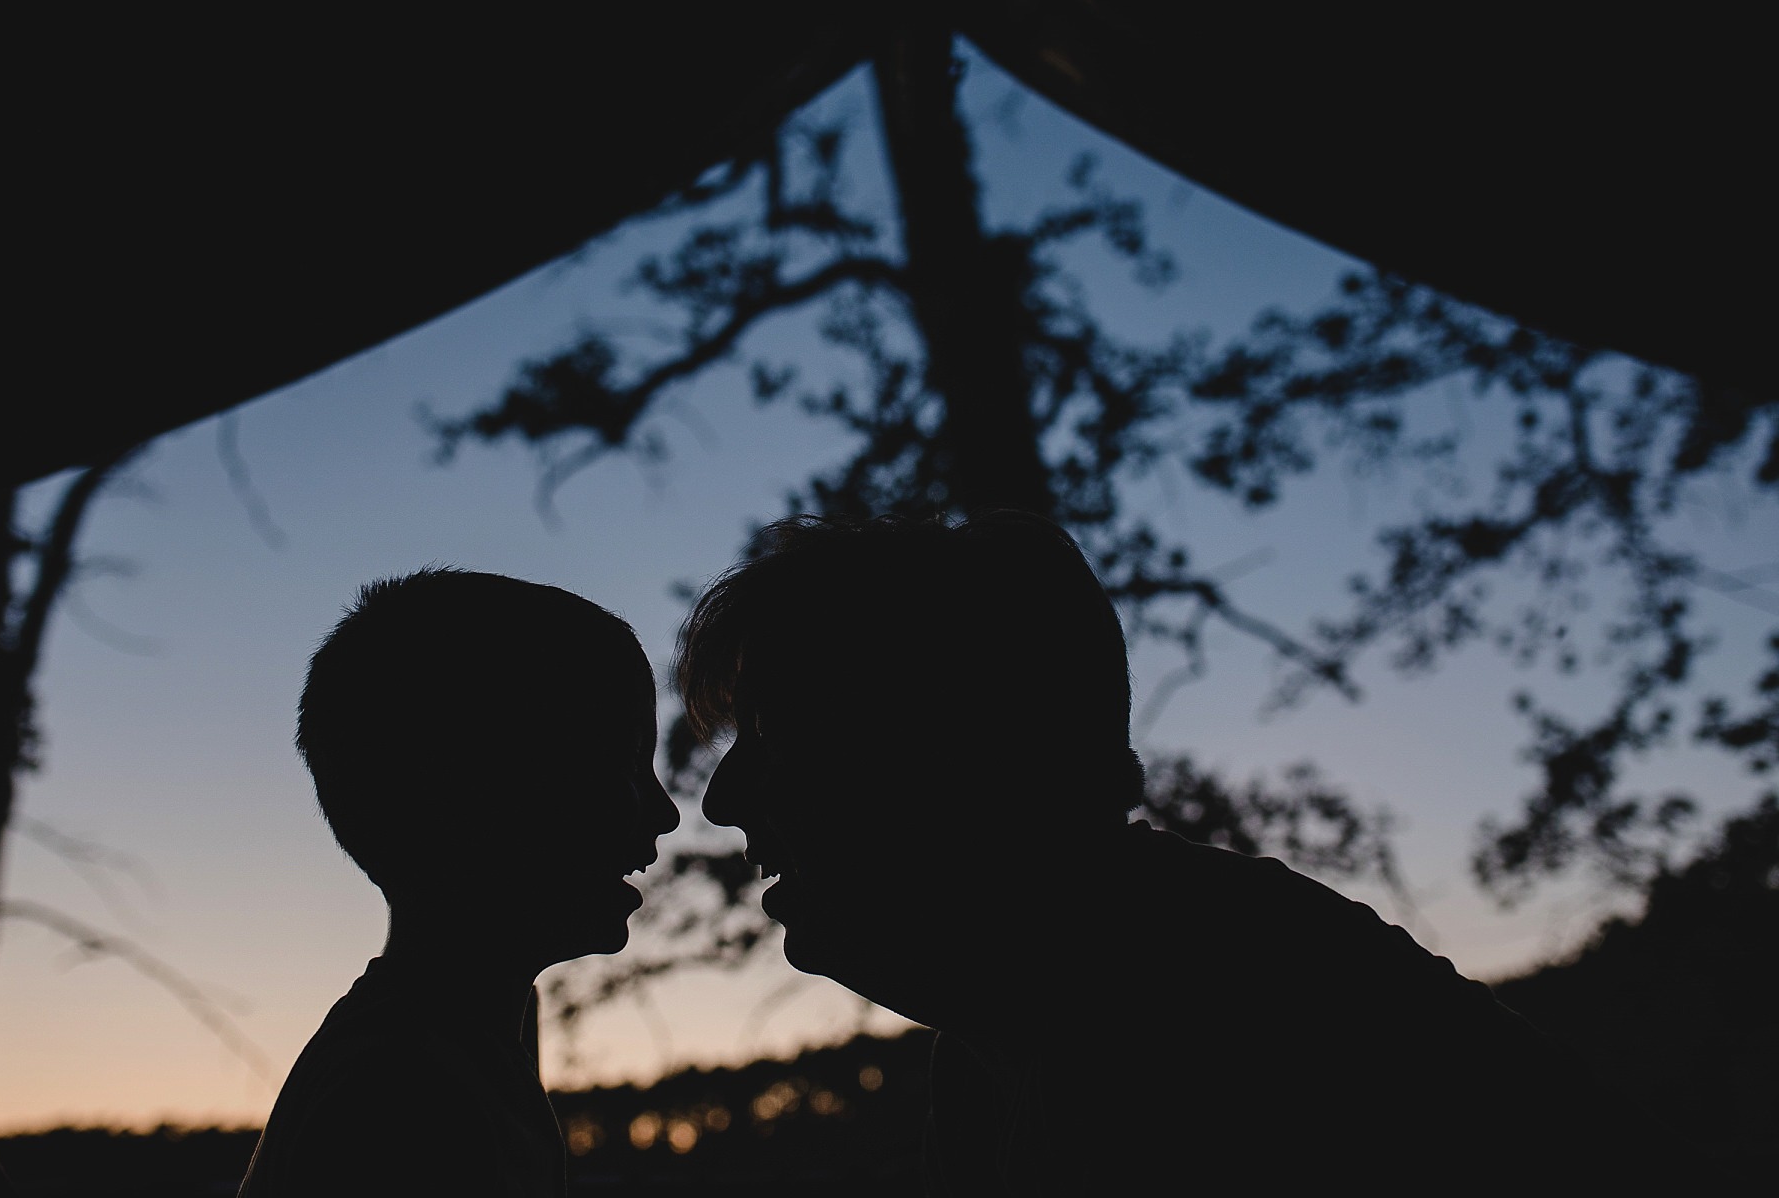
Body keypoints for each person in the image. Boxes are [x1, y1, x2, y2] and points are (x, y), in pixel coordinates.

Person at [680, 511, 1694, 1194]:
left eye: (783, 735)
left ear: (958, 753)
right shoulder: (1009, 1042)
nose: (725, 800)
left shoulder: (1206, 1010)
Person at [239, 568, 678, 1197]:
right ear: (475, 794)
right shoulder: (405, 1098)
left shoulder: (465, 1038)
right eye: (624, 761)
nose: (666, 813)